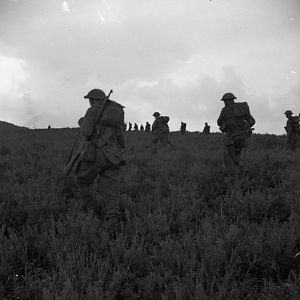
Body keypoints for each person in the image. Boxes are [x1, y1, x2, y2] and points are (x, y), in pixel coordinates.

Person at [75, 88, 125, 236]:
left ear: (93, 100)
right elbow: (122, 140)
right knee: (112, 189)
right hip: (114, 156)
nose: (89, 102)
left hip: (95, 154)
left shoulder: (93, 111)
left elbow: (86, 132)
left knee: (82, 180)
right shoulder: (116, 113)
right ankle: (113, 222)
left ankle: (89, 213)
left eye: (90, 100)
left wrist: (82, 122)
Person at [217, 92, 255, 172]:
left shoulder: (225, 110)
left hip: (230, 138)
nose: (224, 103)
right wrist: (244, 127)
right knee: (237, 154)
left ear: (228, 100)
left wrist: (226, 123)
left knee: (228, 157)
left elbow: (219, 122)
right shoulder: (242, 108)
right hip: (241, 137)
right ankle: (240, 172)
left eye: (225, 101)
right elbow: (252, 121)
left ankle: (239, 171)